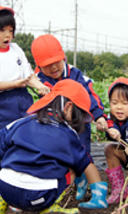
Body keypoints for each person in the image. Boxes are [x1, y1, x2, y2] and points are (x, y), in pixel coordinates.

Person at [0, 79, 108, 214]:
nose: (77, 122)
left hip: (6, 190)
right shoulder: (69, 135)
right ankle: (49, 207)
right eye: (78, 116)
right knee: (71, 168)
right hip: (40, 197)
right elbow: (85, 163)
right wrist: (98, 195)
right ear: (68, 107)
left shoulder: (20, 123)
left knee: (11, 158)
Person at [31, 34, 108, 201]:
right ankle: (69, 182)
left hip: (78, 123)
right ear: (38, 65)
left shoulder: (75, 74)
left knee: (82, 153)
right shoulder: (37, 80)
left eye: (56, 62)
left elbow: (90, 95)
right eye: (47, 65)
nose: (53, 68)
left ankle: (90, 185)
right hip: (56, 127)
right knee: (60, 156)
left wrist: (99, 116)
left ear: (63, 56)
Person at [0, 3, 49, 135]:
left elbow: (28, 75)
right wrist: (16, 83)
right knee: (6, 138)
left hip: (24, 98)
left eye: (10, 30)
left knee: (29, 134)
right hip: (3, 104)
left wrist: (39, 86)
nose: (8, 35)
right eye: (2, 31)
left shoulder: (16, 49)